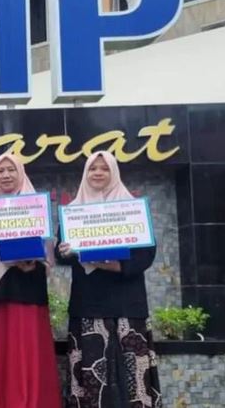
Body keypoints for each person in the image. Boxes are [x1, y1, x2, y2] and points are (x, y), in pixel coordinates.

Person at [55, 151, 161, 407]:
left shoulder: (132, 209)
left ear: (114, 173)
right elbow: (61, 254)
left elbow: (146, 254)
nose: (98, 173)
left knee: (133, 374)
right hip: (89, 304)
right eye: (93, 169)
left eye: (104, 168)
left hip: (127, 304)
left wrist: (116, 266)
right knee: (91, 375)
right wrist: (65, 251)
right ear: (85, 174)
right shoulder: (74, 212)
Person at [0, 154, 62, 408]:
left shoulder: (35, 206)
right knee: (2, 351)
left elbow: (48, 250)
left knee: (28, 350)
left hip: (28, 288)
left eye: (11, 170)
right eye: (0, 171)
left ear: (21, 173)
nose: (6, 175)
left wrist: (30, 260)